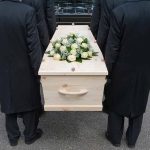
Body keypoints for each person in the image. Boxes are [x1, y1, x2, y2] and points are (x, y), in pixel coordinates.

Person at [105, 0, 150, 148]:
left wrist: (107, 70)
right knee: (139, 102)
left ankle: (115, 138)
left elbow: (112, 48)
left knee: (116, 102)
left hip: (121, 68)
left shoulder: (120, 12)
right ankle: (132, 140)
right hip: (145, 68)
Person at [0, 0, 43, 146]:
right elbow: (33, 44)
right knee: (29, 100)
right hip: (24, 64)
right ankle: (30, 135)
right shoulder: (27, 11)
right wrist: (38, 70)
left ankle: (13, 137)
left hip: (3, 65)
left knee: (7, 98)